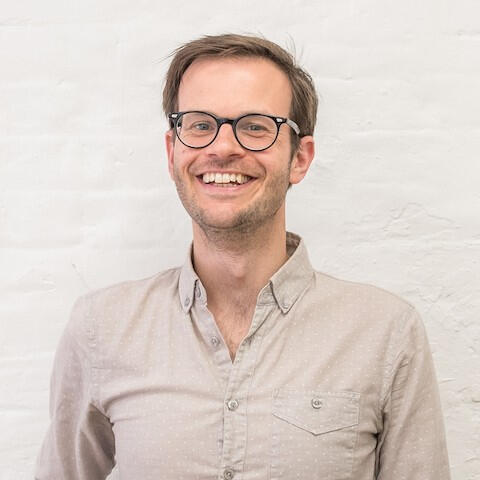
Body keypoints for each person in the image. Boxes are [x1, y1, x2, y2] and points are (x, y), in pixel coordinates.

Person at [35, 33, 451, 479]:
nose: (222, 147)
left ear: (300, 158)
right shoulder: (101, 329)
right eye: (199, 125)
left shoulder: (385, 333)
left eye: (255, 126)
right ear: (172, 151)